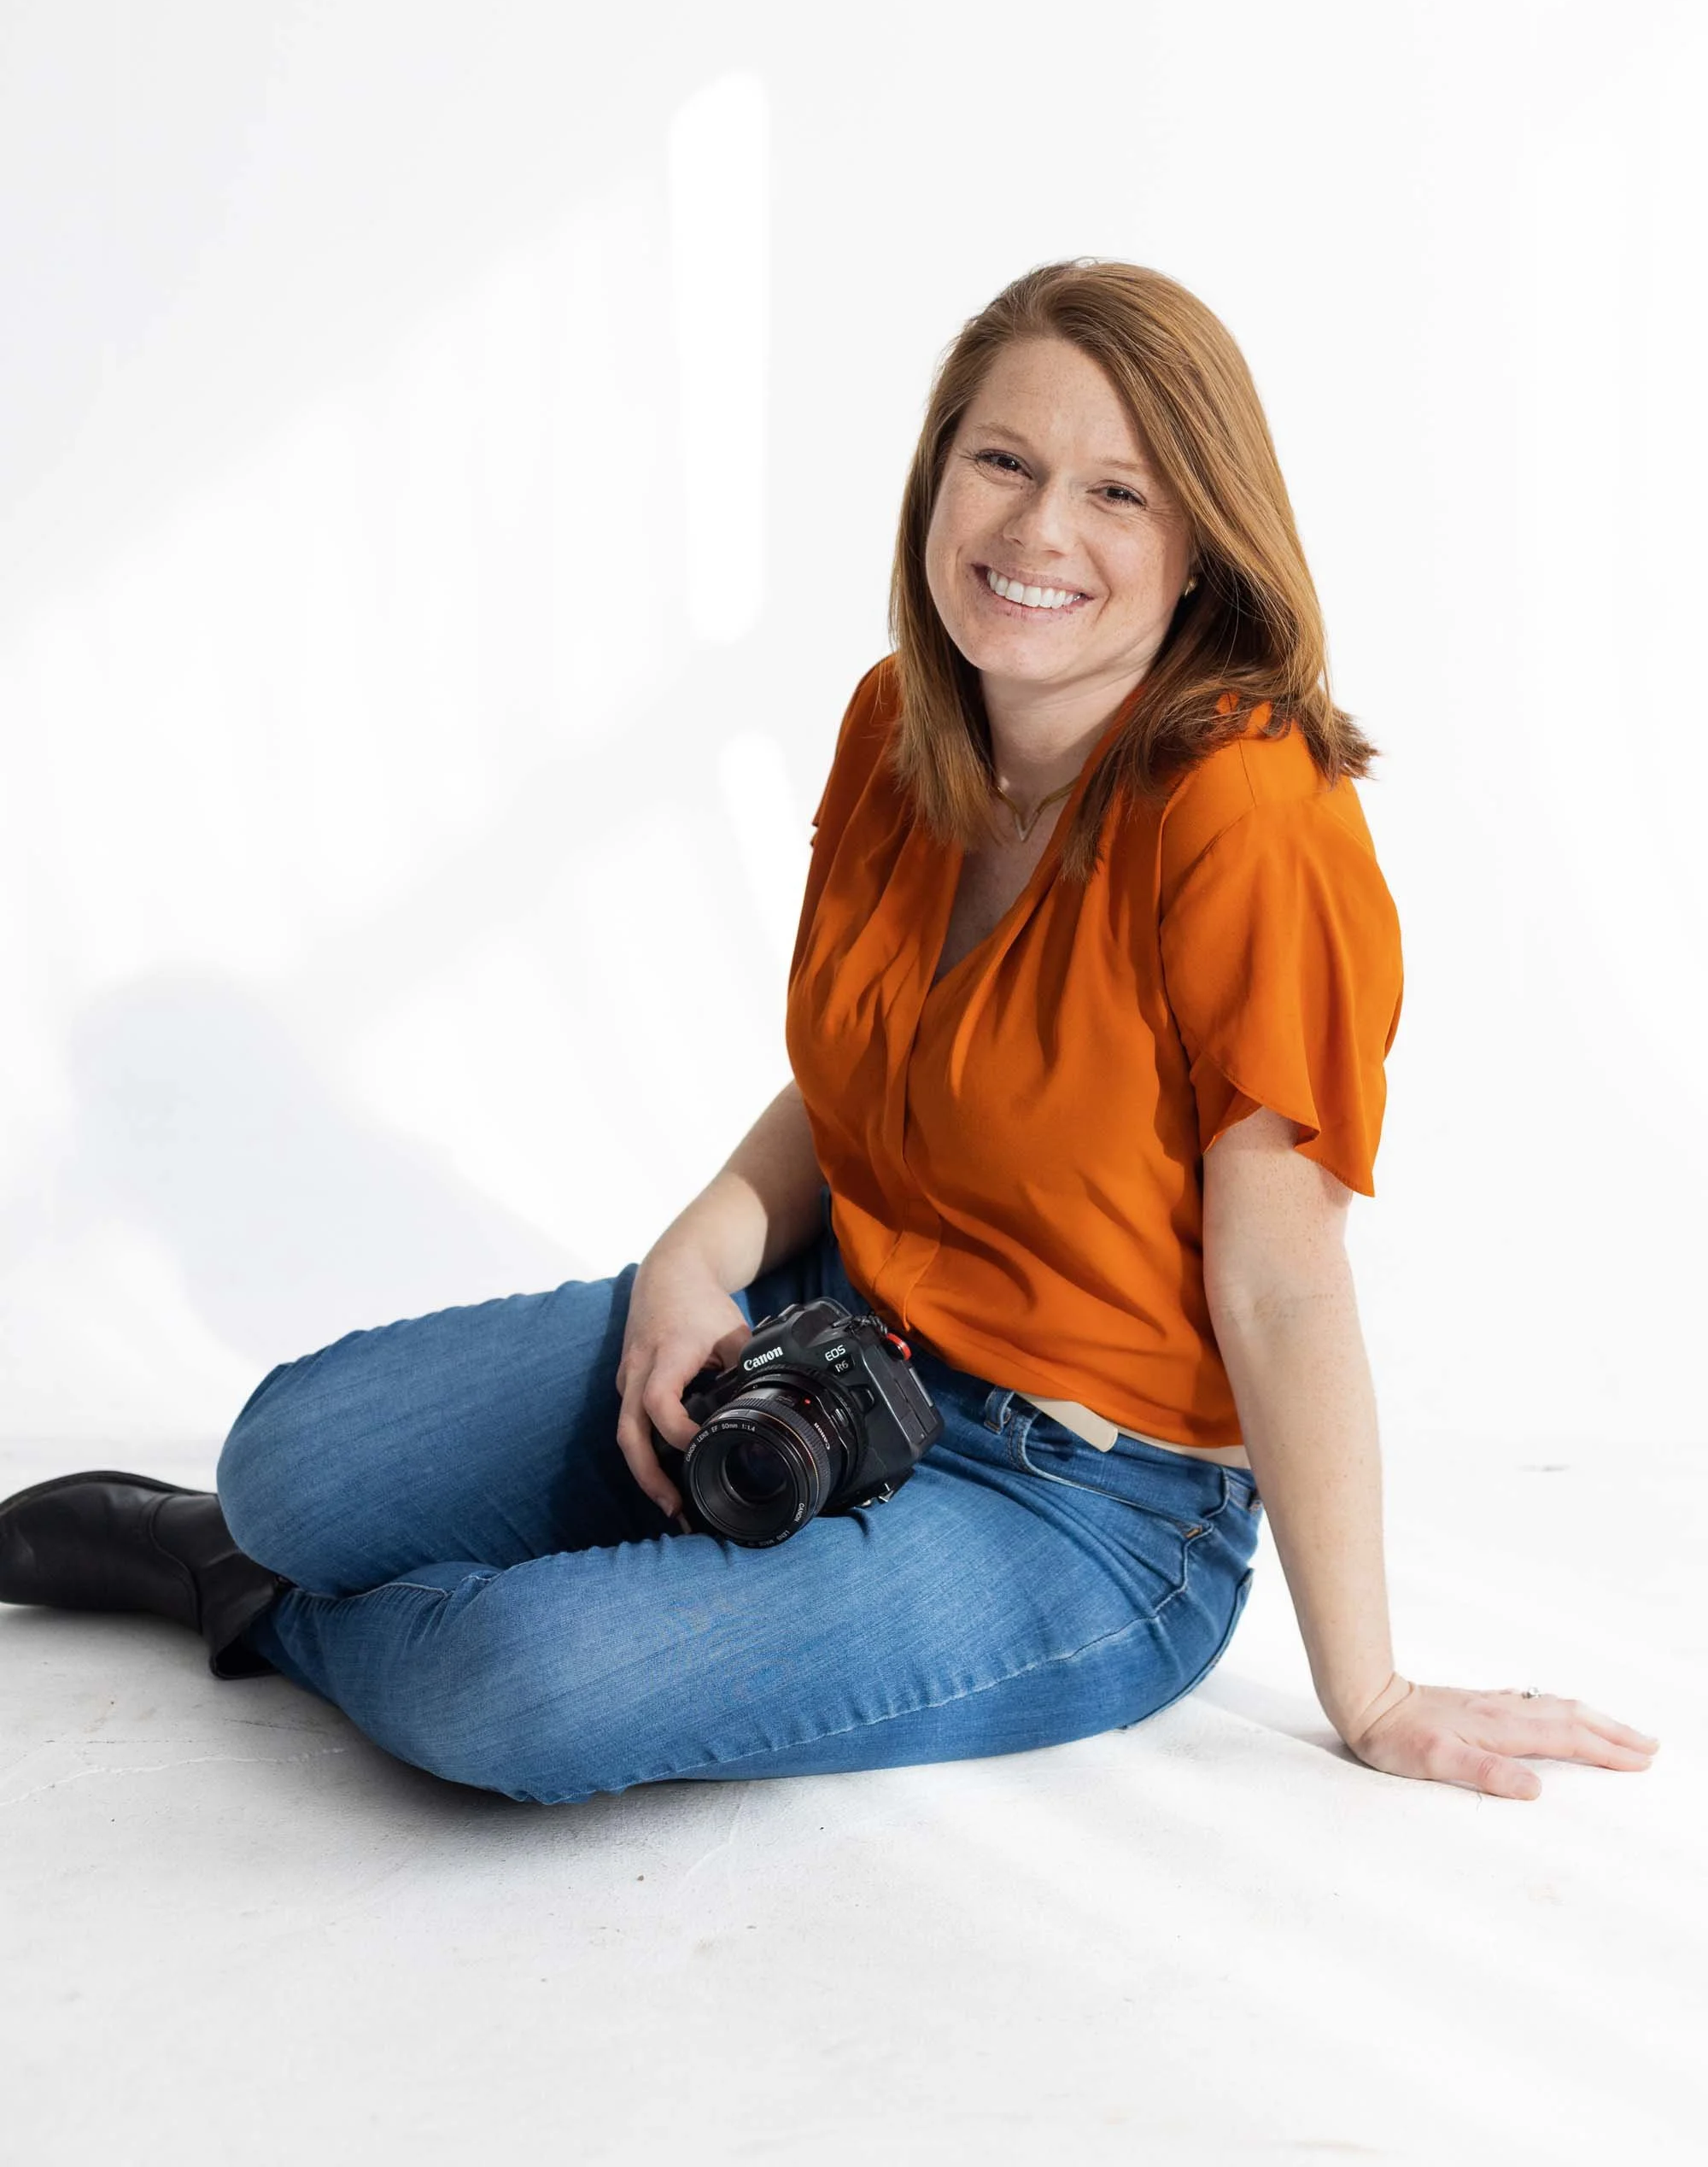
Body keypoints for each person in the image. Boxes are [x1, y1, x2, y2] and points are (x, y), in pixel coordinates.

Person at [0, 260, 1659, 1806]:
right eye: (1003, 461)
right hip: (835, 1334)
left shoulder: (1248, 813)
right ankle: (404, 1565)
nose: (1039, 527)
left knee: (512, 1688)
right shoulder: (901, 725)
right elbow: (871, 1085)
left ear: (1201, 543)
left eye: (1118, 491)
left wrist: (1371, 1690)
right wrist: (690, 1264)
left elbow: (1282, 1282)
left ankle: (262, 1603)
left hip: (1083, 1504)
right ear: (938, 478)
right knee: (293, 1464)